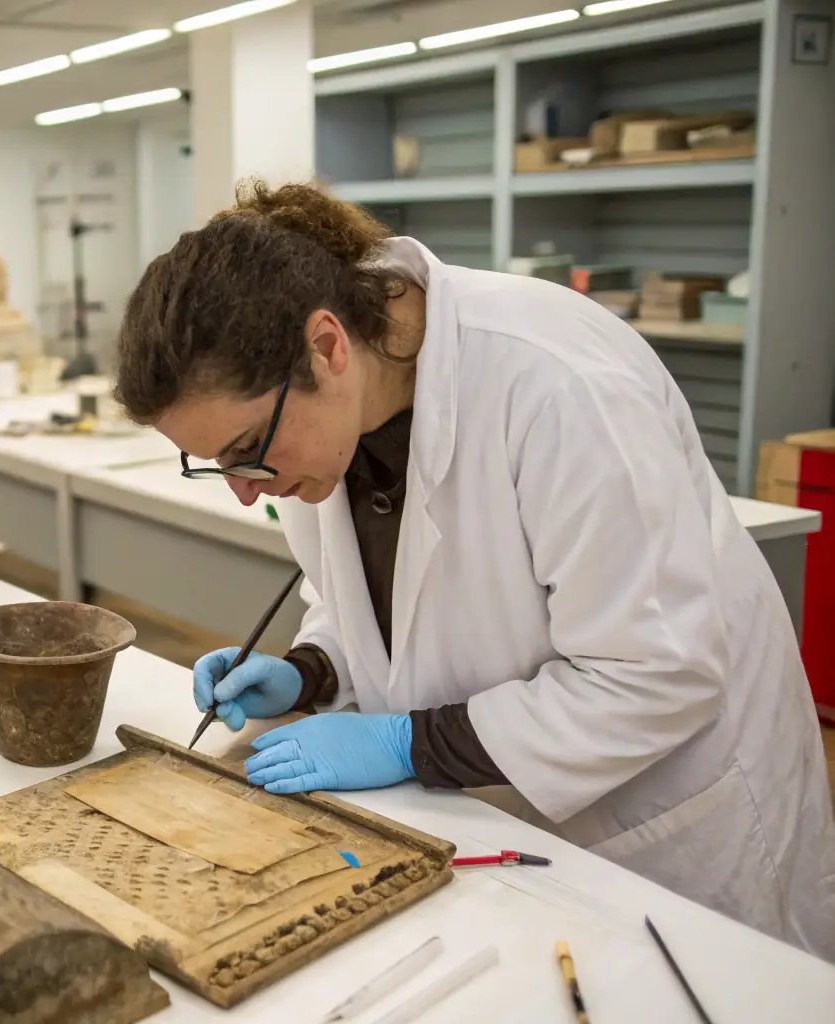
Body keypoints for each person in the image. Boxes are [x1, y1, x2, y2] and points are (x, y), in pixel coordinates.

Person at [112, 180, 835, 961]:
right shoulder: (320, 418)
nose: (243, 487)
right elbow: (377, 599)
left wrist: (404, 744)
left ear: (326, 346)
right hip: (492, 823)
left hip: (661, 827)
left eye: (247, 449)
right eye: (212, 462)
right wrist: (311, 669)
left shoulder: (556, 383)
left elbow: (655, 674)